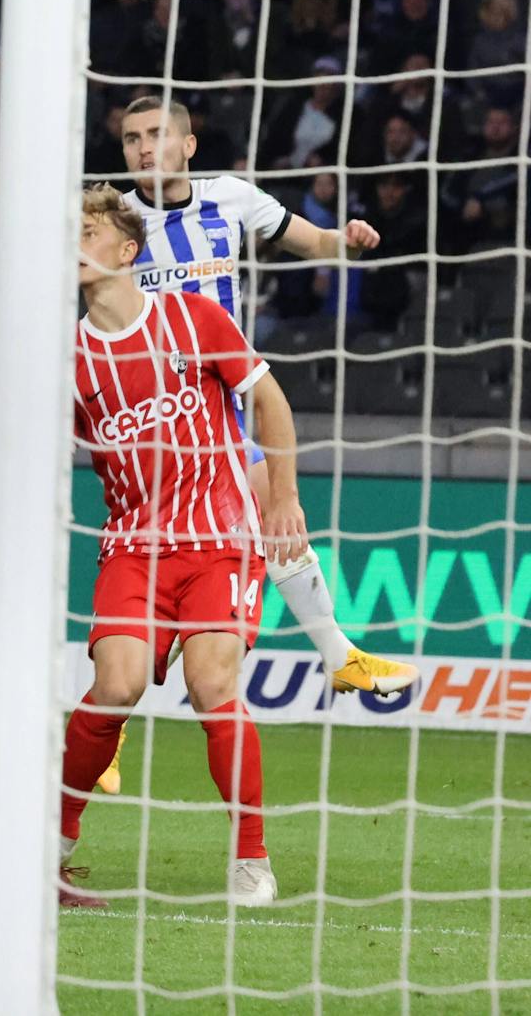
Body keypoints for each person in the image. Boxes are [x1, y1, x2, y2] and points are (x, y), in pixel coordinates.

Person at [48, 185, 299, 909]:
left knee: (213, 683)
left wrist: (279, 494)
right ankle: (56, 845)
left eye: (87, 229)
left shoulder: (193, 314)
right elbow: (41, 443)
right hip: (132, 544)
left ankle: (251, 859)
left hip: (220, 535)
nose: (74, 240)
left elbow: (270, 399)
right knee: (117, 684)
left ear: (126, 250)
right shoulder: (69, 357)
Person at [114, 96, 414, 700]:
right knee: (251, 519)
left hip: (218, 404)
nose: (144, 148)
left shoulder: (230, 197)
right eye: (131, 139)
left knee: (265, 518)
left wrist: (348, 241)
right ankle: (337, 653)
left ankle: (338, 655)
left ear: (188, 146)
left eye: (156, 134)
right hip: (146, 414)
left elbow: (316, 243)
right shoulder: (113, 220)